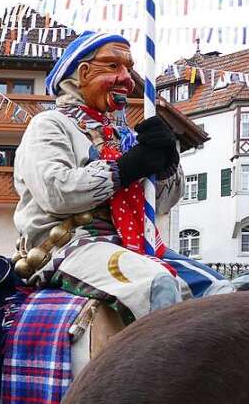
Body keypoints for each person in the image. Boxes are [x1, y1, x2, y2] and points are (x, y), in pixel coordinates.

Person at [14, 31, 231, 321]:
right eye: (114, 66)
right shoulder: (50, 125)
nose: (127, 78)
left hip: (134, 242)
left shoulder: (125, 136)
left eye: (129, 68)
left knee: (224, 292)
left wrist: (165, 165)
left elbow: (160, 206)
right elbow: (57, 193)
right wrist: (125, 169)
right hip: (72, 245)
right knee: (157, 286)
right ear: (83, 72)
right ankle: (159, 366)